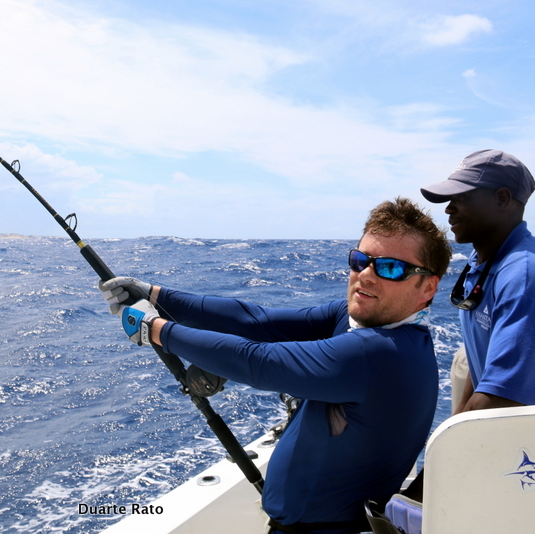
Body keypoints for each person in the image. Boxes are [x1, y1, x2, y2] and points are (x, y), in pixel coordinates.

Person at [100, 198, 452, 534]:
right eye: (361, 259)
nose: (367, 275)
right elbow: (258, 321)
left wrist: (155, 330)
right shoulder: (361, 318)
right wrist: (157, 294)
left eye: (391, 268)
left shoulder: (382, 354)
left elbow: (257, 361)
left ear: (427, 287)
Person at [420, 149, 535, 412]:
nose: (448, 208)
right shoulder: (482, 260)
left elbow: (502, 394)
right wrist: (458, 417)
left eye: (460, 197)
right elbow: (487, 358)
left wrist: (452, 446)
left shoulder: (523, 275)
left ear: (502, 199)